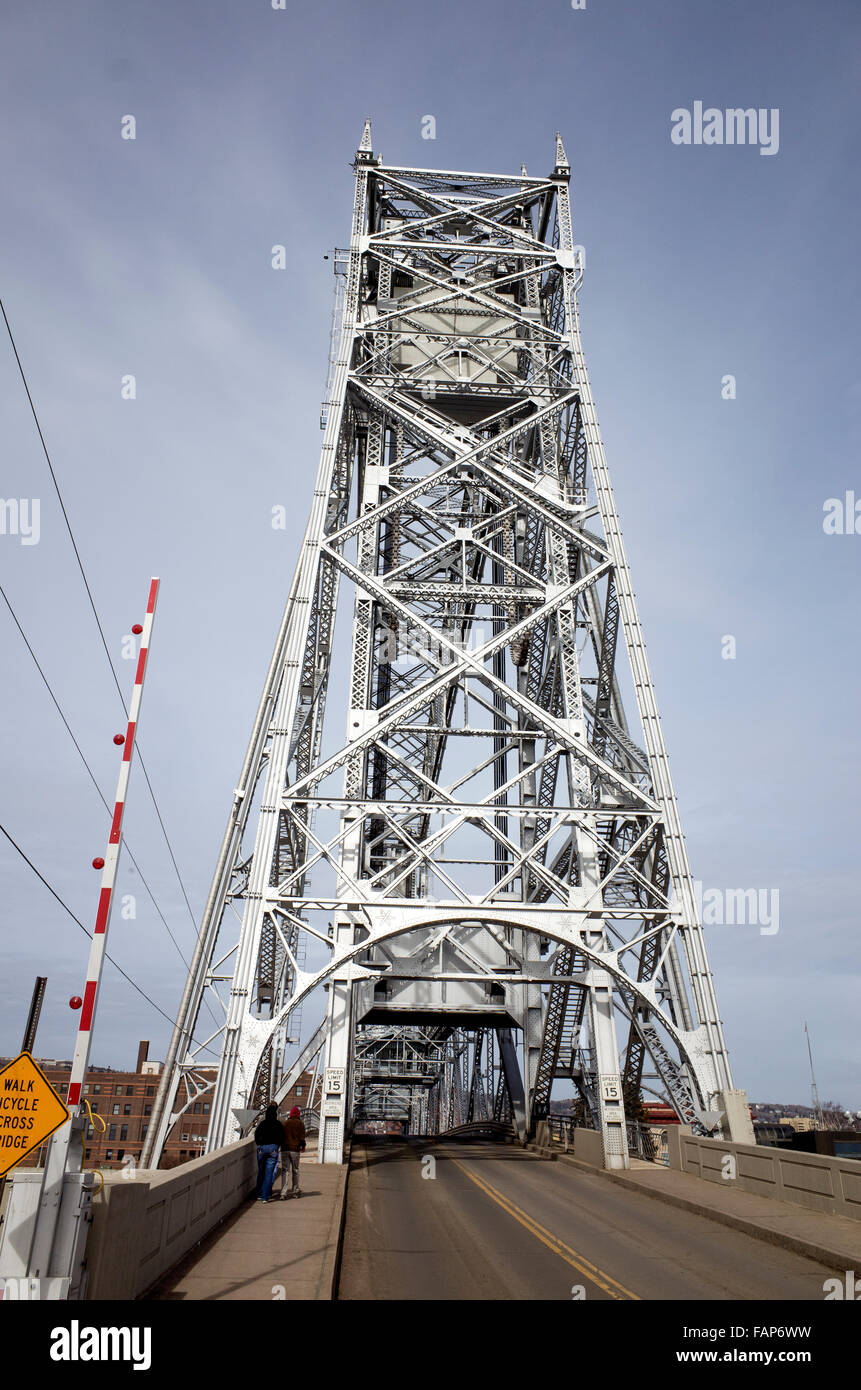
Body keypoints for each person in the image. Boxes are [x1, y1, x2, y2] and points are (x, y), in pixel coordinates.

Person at [254, 1103, 285, 1203]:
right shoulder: (278, 1124)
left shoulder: (262, 1123)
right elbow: (282, 1137)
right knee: (269, 1174)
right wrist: (277, 1145)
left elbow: (256, 1134)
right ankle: (265, 1197)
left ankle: (258, 1194)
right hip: (273, 1149)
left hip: (262, 1149)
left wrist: (259, 1144)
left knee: (261, 1172)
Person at [280, 1105, 307, 1199]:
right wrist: (303, 1146)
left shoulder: (285, 1123)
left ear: (290, 1114)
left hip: (285, 1149)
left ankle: (283, 1193)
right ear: (298, 1114)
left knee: (285, 1171)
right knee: (295, 1170)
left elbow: (281, 1136)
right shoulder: (300, 1123)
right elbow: (302, 1137)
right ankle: (295, 1191)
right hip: (295, 1150)